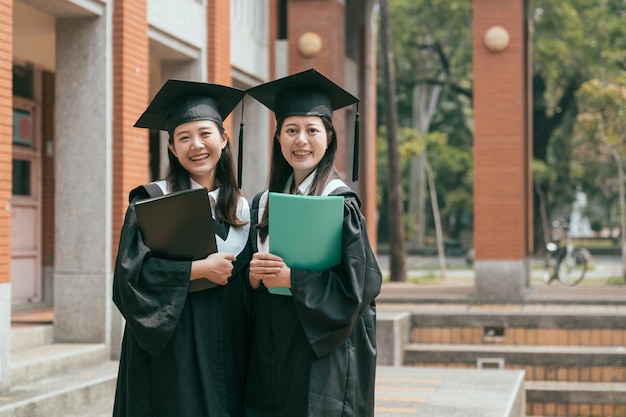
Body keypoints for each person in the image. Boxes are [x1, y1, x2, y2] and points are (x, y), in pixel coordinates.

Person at [243, 69, 382, 417]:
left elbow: (359, 288)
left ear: (329, 137)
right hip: (271, 352)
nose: (300, 141)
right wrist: (253, 278)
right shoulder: (263, 203)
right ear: (278, 138)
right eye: (291, 130)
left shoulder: (340, 204)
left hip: (322, 356)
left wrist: (292, 279)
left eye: (311, 130)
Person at [112, 79, 252, 417]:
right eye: (184, 137)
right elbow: (128, 281)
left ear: (223, 138)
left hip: (231, 350)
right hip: (173, 354)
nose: (196, 145)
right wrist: (196, 271)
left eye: (205, 134)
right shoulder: (151, 202)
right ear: (172, 149)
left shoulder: (245, 210)